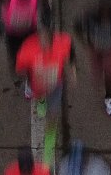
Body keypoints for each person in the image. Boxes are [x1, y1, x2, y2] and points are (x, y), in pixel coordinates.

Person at [16, 13, 75, 165]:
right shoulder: (28, 47)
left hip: (56, 86)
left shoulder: (64, 42)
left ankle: (49, 147)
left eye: (45, 37)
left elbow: (68, 60)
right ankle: (41, 101)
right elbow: (20, 70)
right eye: (40, 36)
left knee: (53, 117)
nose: (42, 41)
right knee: (39, 98)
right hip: (37, 86)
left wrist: (72, 74)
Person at [74, 0, 111, 115]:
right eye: (103, 11)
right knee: (97, 72)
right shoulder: (89, 17)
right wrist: (85, 43)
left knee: (109, 74)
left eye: (107, 11)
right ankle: (98, 80)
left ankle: (108, 97)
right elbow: (77, 26)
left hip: (110, 49)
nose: (105, 15)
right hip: (95, 49)